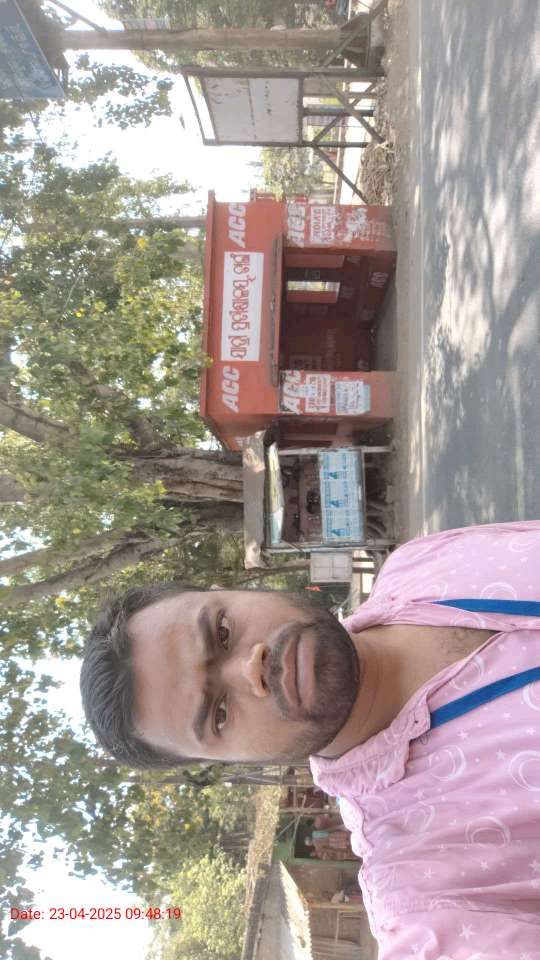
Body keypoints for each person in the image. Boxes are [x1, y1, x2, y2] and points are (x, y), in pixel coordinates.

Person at [80, 521, 540, 957]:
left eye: (221, 632)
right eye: (219, 714)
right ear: (229, 762)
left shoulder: (423, 562)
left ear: (231, 589)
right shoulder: (432, 893)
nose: (250, 668)